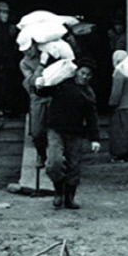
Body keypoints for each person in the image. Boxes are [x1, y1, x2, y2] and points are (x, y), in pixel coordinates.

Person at [35, 58, 101, 209]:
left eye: (88, 75)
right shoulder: (62, 83)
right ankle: (58, 192)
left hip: (76, 132)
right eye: (83, 73)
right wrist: (39, 85)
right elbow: (44, 91)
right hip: (55, 129)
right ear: (76, 72)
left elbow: (92, 117)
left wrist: (95, 139)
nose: (85, 77)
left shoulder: (88, 93)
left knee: (73, 165)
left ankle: (69, 198)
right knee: (54, 162)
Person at [19, 42, 51, 168]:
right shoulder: (24, 63)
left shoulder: (49, 53)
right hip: (37, 96)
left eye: (29, 48)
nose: (27, 52)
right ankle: (41, 155)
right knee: (37, 130)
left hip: (54, 94)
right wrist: (42, 65)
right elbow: (32, 80)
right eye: (24, 50)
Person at [0, 1, 22, 119]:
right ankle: (0, 109)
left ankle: (5, 109)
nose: (5, 15)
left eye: (7, 12)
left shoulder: (6, 27)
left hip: (7, 62)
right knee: (0, 86)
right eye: (2, 12)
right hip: (0, 63)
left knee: (7, 86)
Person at [108, 50, 128, 162]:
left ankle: (118, 155)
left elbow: (117, 92)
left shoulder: (119, 72)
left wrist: (112, 103)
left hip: (122, 106)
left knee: (119, 132)